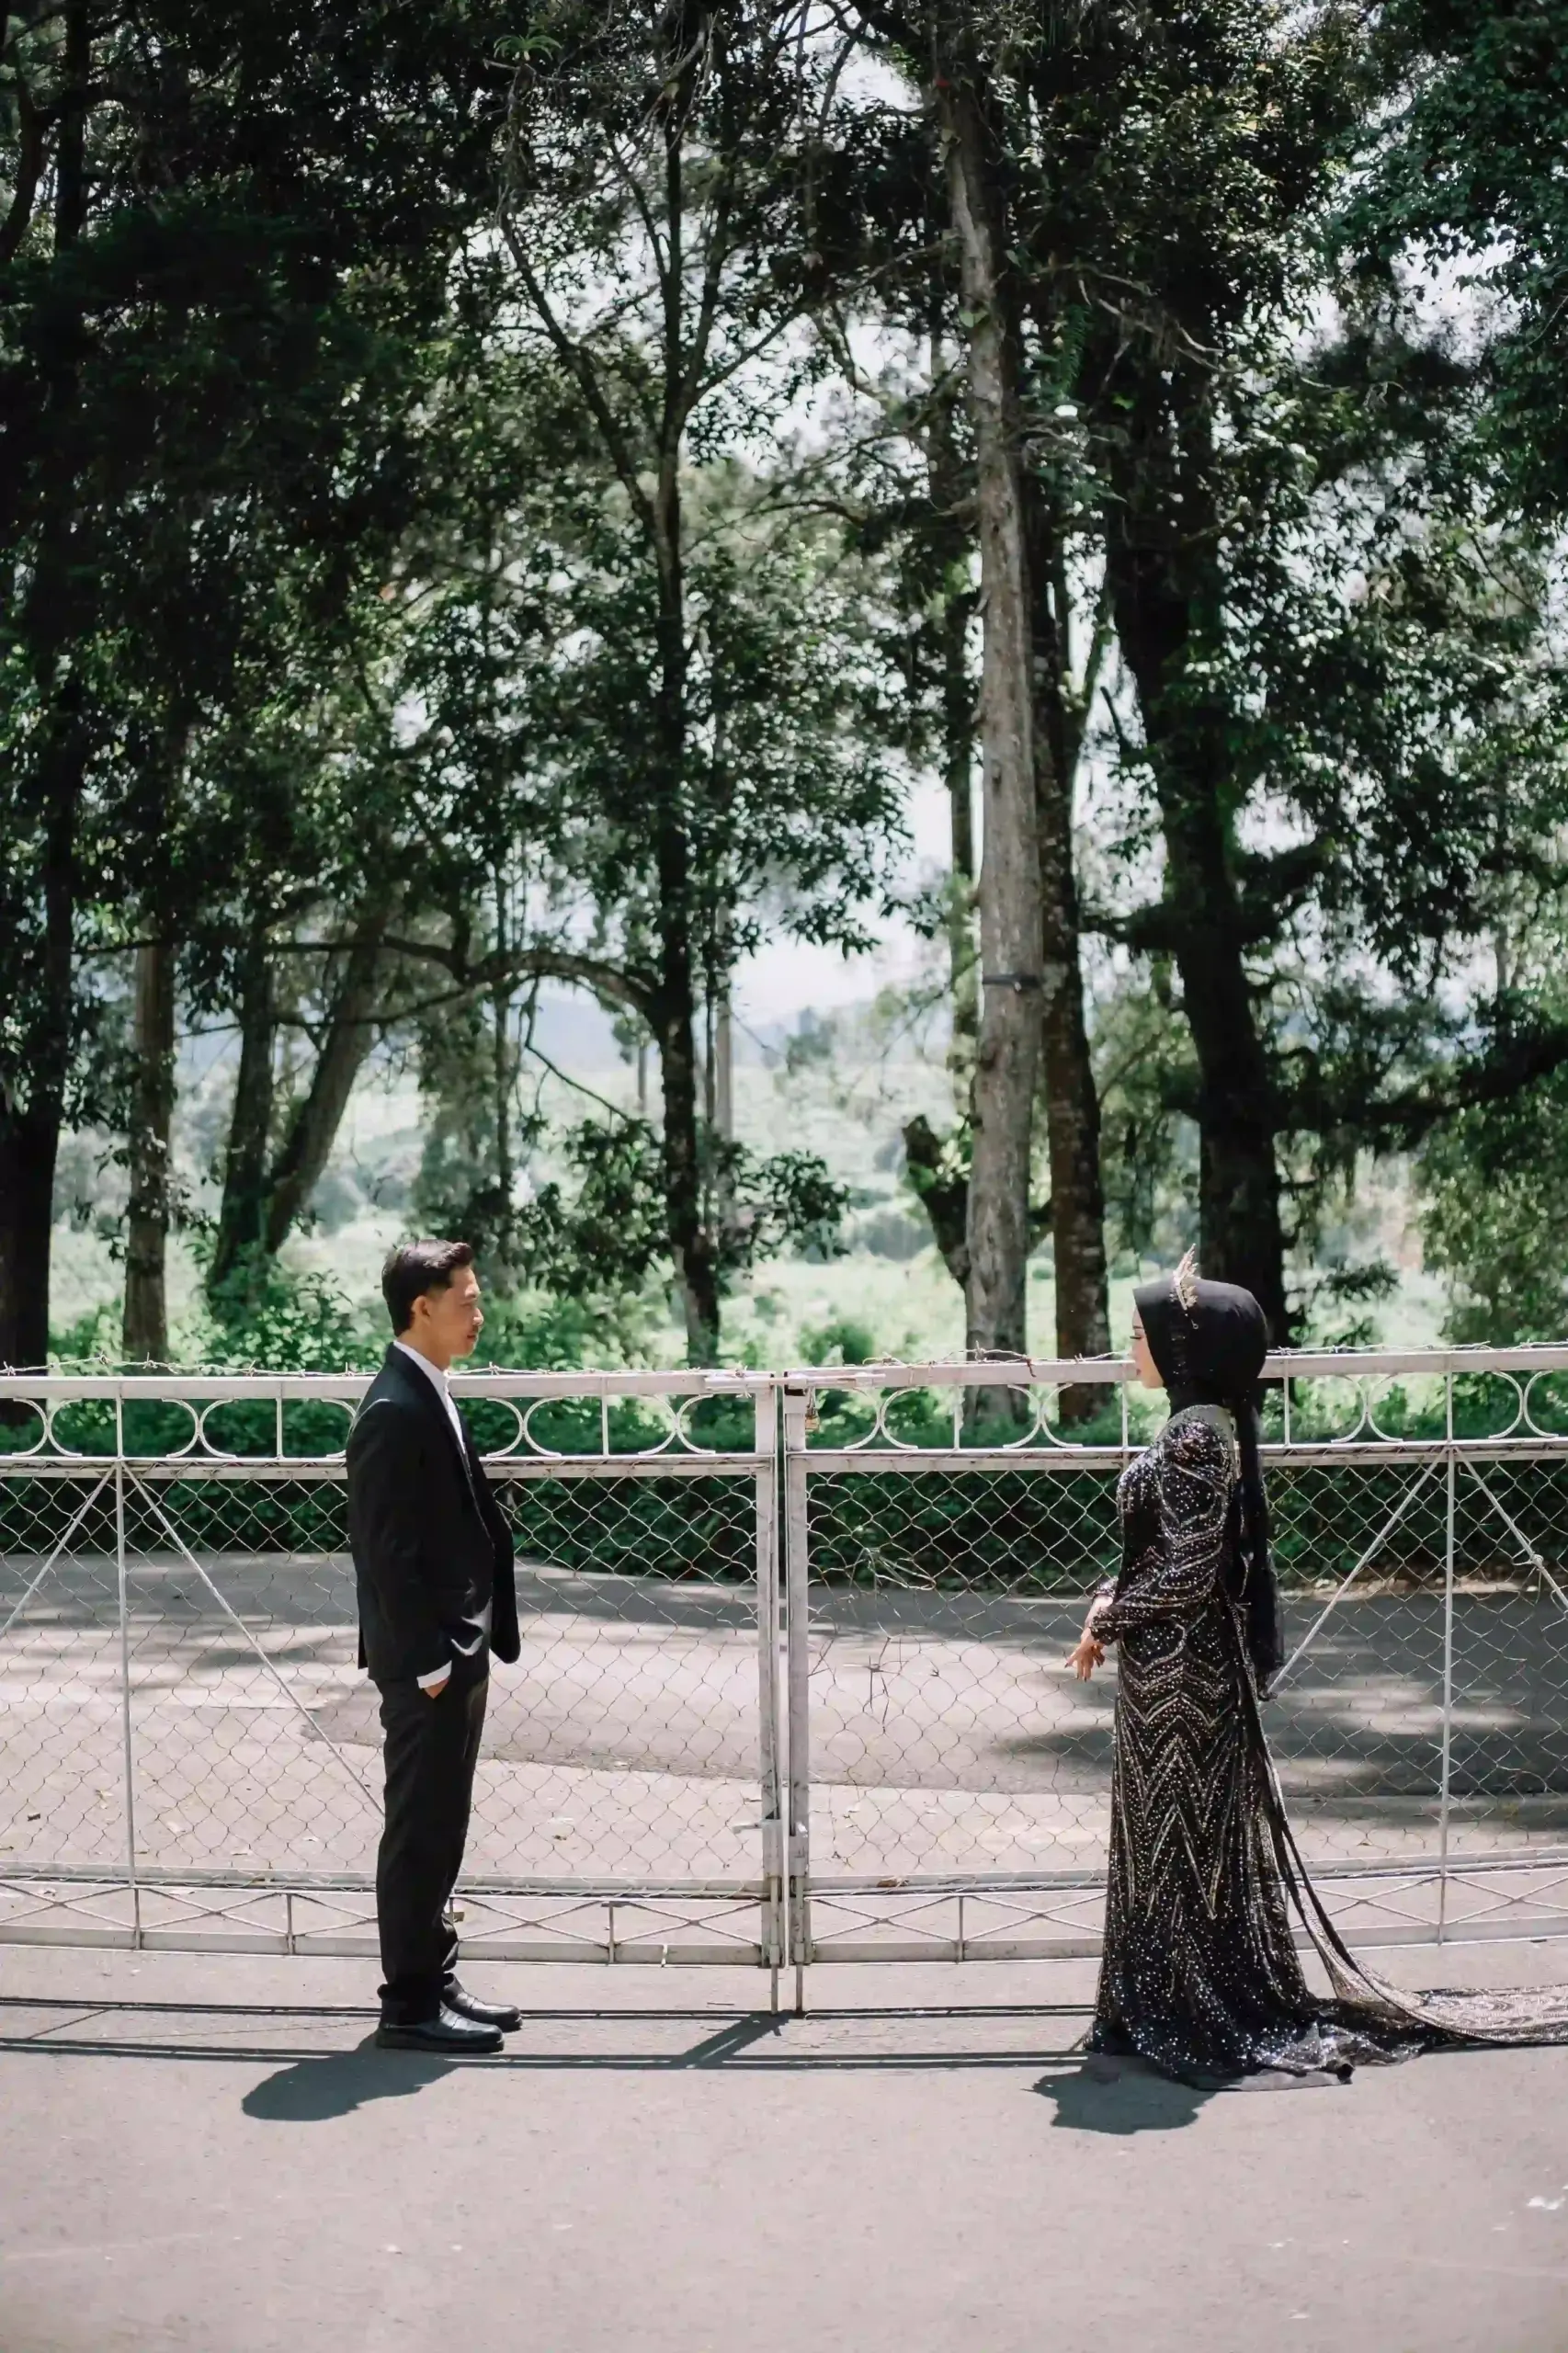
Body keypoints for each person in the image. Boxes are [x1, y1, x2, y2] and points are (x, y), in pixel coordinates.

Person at [1068, 1250, 1568, 2086]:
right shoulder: (1196, 1428)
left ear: (1185, 1350)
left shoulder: (1192, 1437)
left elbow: (1188, 1571)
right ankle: (1159, 2000)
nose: (1131, 1345)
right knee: (1167, 1835)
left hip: (1183, 1676)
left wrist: (1108, 1619)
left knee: (1176, 1835)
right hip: (1172, 1668)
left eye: (1141, 1333)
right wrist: (1108, 1599)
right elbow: (1172, 1555)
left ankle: (1182, 2004)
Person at [347, 1238, 522, 2054]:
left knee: (442, 1824)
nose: (479, 1314)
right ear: (422, 1307)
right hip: (429, 1662)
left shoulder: (428, 1388)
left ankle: (435, 1978)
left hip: (457, 1648)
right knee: (419, 1828)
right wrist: (430, 1662)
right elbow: (385, 1554)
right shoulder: (392, 1408)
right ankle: (408, 2005)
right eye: (467, 1300)